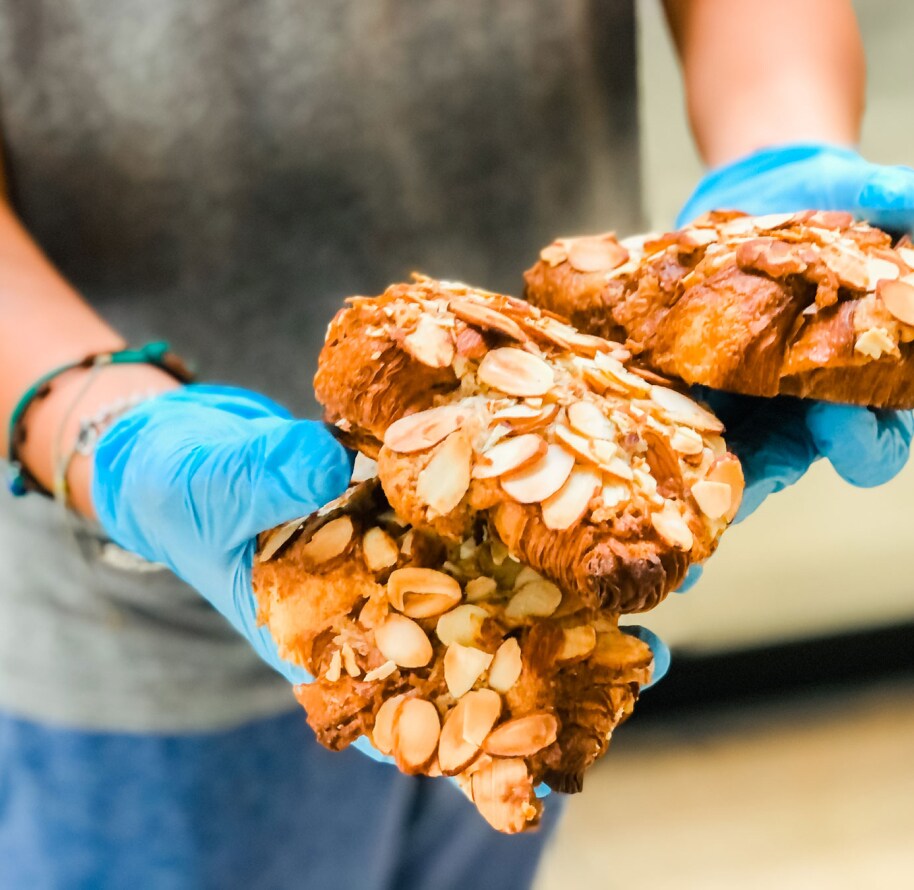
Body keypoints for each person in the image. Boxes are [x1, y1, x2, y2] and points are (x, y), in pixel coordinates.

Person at [0, 0, 912, 886]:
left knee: (505, 763)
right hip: (131, 619)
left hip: (557, 565)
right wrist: (86, 415)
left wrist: (777, 200)